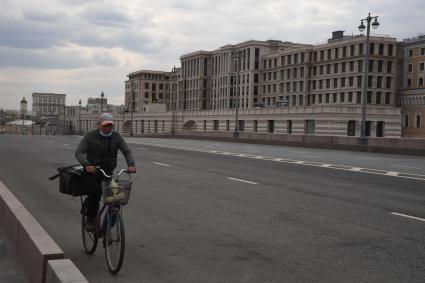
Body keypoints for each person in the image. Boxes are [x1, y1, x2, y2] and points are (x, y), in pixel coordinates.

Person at [75, 113, 136, 231]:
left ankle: (106, 229)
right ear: (99, 124)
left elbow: (127, 151)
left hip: (108, 173)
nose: (108, 128)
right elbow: (79, 152)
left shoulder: (116, 137)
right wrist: (87, 165)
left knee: (116, 199)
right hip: (92, 172)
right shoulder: (90, 135)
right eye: (105, 126)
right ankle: (91, 219)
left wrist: (131, 165)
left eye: (110, 126)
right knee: (95, 191)